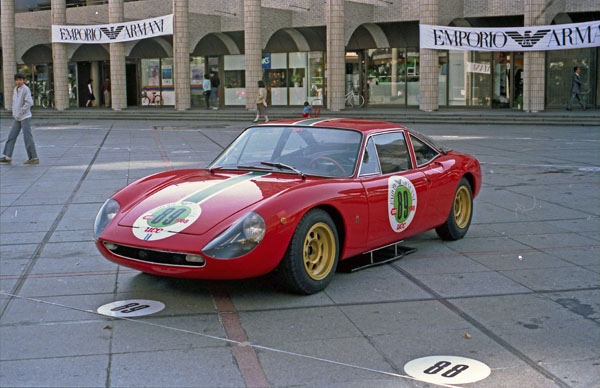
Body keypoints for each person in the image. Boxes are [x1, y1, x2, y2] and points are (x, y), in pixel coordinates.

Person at [0, 73, 39, 165]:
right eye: (17, 80)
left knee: (27, 137)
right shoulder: (15, 89)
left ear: (24, 80)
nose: (19, 82)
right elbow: (15, 103)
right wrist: (15, 113)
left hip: (25, 117)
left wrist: (21, 111)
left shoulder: (26, 89)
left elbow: (29, 102)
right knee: (11, 136)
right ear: (15, 81)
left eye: (21, 80)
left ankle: (33, 157)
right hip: (17, 118)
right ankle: (7, 156)